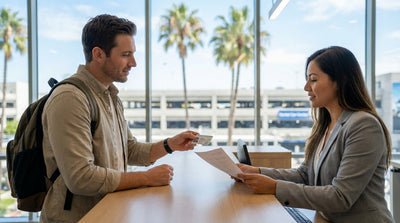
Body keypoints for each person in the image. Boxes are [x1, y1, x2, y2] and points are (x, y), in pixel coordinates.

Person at [40, 14, 198, 222]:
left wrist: (169, 144)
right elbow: (80, 178)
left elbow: (129, 149)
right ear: (98, 54)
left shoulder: (110, 97)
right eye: (125, 54)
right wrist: (146, 178)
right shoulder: (70, 98)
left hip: (107, 213)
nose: (133, 63)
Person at [236, 46, 395, 223]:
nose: (306, 87)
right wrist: (257, 172)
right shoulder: (325, 125)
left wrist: (274, 187)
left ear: (340, 81)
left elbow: (340, 196)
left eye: (313, 79)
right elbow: (305, 175)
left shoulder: (363, 125)